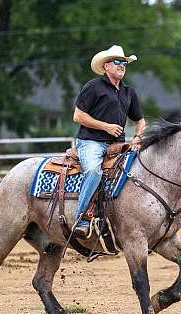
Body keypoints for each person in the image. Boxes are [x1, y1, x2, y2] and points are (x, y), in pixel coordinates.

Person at [72, 45, 146, 237]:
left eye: (124, 63)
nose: (122, 65)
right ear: (106, 66)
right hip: (91, 142)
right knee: (94, 171)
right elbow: (78, 116)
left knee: (139, 173)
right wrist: (105, 126)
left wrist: (137, 137)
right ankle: (82, 218)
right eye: (117, 62)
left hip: (117, 145)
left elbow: (140, 120)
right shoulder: (93, 86)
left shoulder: (129, 92)